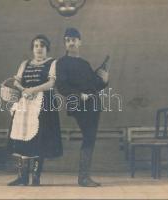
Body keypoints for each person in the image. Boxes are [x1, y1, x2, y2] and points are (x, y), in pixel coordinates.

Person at [54, 28, 109, 187]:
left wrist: (104, 80)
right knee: (89, 136)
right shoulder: (61, 63)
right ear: (65, 43)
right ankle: (83, 178)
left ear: (80, 42)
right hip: (78, 104)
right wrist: (79, 95)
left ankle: (84, 177)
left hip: (93, 104)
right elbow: (62, 86)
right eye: (68, 40)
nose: (71, 42)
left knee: (90, 137)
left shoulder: (85, 64)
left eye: (74, 39)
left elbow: (94, 85)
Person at [7, 34, 63, 186]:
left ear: (47, 49)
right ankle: (22, 177)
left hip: (43, 104)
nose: (39, 49)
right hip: (25, 104)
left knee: (40, 139)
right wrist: (24, 89)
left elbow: (51, 83)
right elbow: (16, 82)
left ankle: (36, 176)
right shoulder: (25, 64)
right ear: (32, 49)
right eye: (36, 46)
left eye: (42, 46)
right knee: (20, 138)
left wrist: (34, 90)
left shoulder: (53, 63)